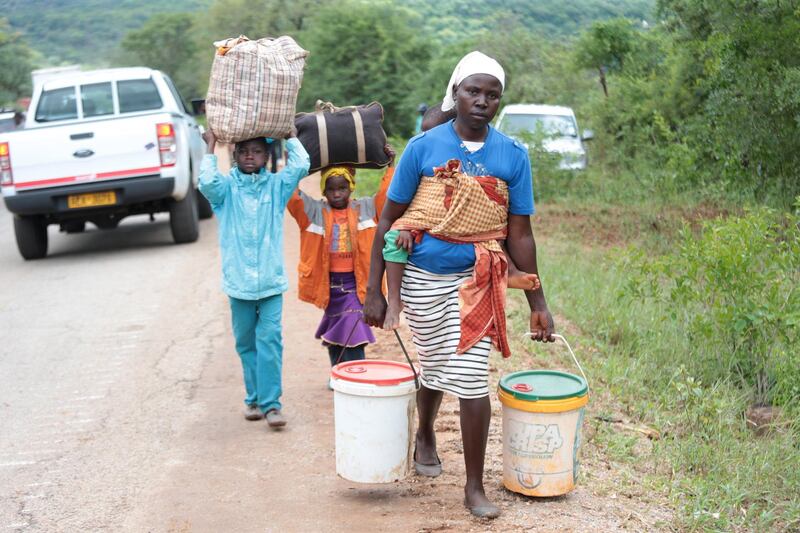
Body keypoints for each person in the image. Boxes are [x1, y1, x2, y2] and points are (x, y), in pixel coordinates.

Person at [363, 51, 555, 519]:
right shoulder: (423, 147)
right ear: (456, 93)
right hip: (424, 277)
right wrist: (375, 290)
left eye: (492, 94)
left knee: (471, 376)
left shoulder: (512, 155)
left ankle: (473, 486)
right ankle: (425, 431)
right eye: (473, 91)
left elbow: (520, 234)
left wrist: (538, 301)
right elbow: (389, 219)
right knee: (434, 362)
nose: (482, 101)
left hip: (480, 277)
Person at [199, 128, 310, 429]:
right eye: (244, 150)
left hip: (271, 283)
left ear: (267, 156)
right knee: (246, 344)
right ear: (234, 155)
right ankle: (253, 398)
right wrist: (210, 147)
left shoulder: (277, 187)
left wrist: (291, 137)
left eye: (257, 151)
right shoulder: (225, 192)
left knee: (270, 341)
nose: (250, 155)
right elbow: (206, 182)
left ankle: (272, 405)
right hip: (239, 284)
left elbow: (301, 165)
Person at [286, 146, 396, 372]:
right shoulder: (313, 212)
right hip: (329, 286)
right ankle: (338, 373)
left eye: (342, 188)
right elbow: (293, 197)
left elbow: (386, 196)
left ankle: (356, 375)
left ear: (351, 187)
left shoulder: (366, 208)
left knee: (353, 324)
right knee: (336, 327)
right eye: (331, 189)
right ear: (323, 191)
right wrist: (292, 164)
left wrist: (390, 166)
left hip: (357, 285)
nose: (337, 194)